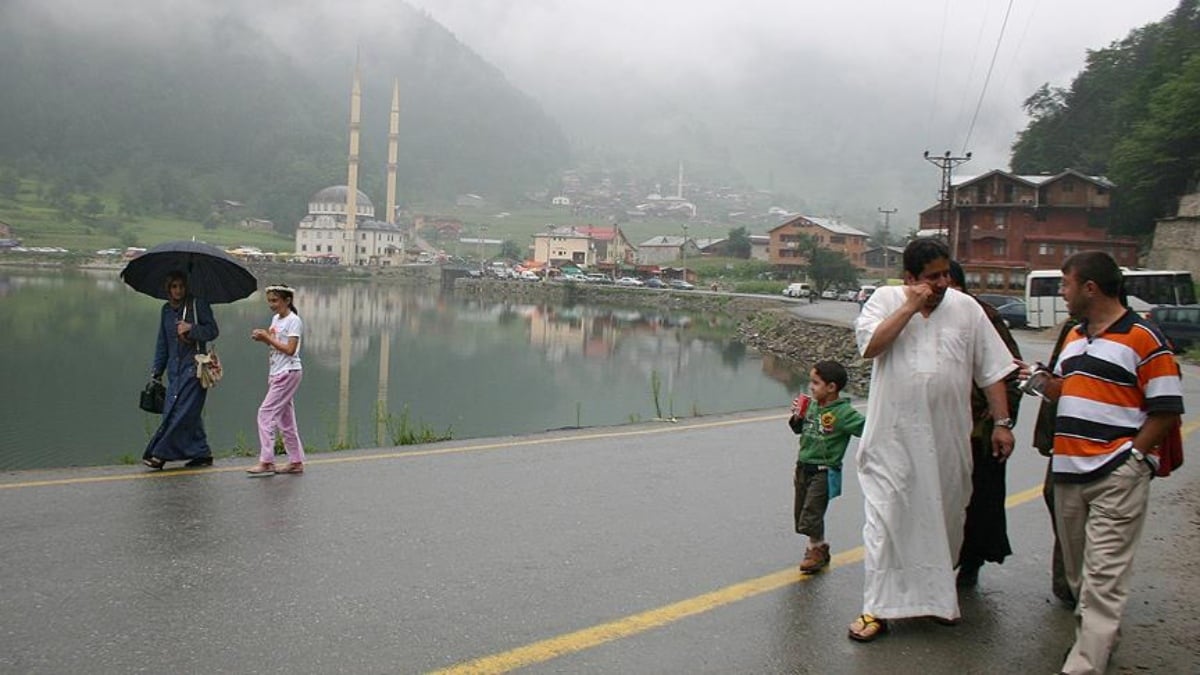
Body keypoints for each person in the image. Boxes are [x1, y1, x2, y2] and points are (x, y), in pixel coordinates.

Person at [847, 239, 1016, 642]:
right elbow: (870, 347)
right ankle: (876, 609)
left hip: (947, 440)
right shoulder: (884, 300)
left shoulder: (967, 309)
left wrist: (1002, 422)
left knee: (945, 519)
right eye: (933, 276)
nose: (943, 282)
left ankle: (938, 599)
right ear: (910, 278)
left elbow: (991, 371)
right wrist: (908, 307)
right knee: (886, 520)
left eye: (946, 274)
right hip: (892, 439)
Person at [1023, 251, 1183, 675]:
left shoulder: (1144, 338)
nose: (1062, 292)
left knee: (1103, 577)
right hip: (1068, 473)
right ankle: (1100, 640)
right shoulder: (1075, 336)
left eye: (1065, 284)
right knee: (1078, 576)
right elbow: (1067, 389)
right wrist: (1040, 381)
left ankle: (1086, 664)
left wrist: (1133, 458)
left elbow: (1167, 408)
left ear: (1089, 287)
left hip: (1116, 473)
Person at [946, 262, 1023, 588]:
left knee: (979, 501)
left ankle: (971, 562)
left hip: (979, 429)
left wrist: (1001, 423)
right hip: (942, 429)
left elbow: (1008, 374)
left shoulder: (984, 318)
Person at [787, 360, 866, 574]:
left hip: (824, 470)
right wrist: (797, 417)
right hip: (803, 466)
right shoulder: (812, 405)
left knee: (811, 513)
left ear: (831, 387)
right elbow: (798, 429)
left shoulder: (844, 413)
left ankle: (814, 551)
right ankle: (820, 546)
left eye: (815, 383)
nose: (811, 387)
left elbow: (868, 430)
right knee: (802, 514)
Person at [143, 271, 220, 470]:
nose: (178, 290)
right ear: (169, 289)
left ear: (186, 287)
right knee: (181, 412)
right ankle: (201, 453)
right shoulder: (166, 311)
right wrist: (156, 371)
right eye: (174, 287)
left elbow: (212, 331)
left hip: (195, 369)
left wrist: (191, 328)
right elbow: (163, 343)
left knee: (181, 412)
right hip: (174, 371)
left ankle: (159, 454)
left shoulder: (197, 305)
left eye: (181, 286)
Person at [247, 284, 306, 476]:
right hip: (277, 372)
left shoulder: (293, 321)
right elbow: (275, 345)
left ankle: (267, 461)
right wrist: (263, 338)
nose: (271, 305)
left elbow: (290, 350)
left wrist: (267, 338)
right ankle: (296, 461)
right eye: (269, 301)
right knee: (285, 419)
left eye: (275, 300)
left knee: (265, 414)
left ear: (287, 300)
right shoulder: (276, 319)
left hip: (288, 372)